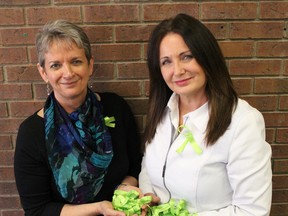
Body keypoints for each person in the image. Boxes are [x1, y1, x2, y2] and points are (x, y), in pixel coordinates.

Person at [139, 13, 272, 215]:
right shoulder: (162, 111)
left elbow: (252, 210)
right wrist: (147, 197)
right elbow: (148, 169)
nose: (177, 70)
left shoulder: (243, 122)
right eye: (166, 61)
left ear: (207, 57)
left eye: (187, 57)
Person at [14, 20, 142, 216]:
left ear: (90, 66)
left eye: (76, 61)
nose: (68, 73)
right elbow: (37, 210)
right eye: (56, 65)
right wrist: (99, 208)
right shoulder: (31, 133)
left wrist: (123, 188)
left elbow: (135, 163)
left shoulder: (116, 107)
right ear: (43, 72)